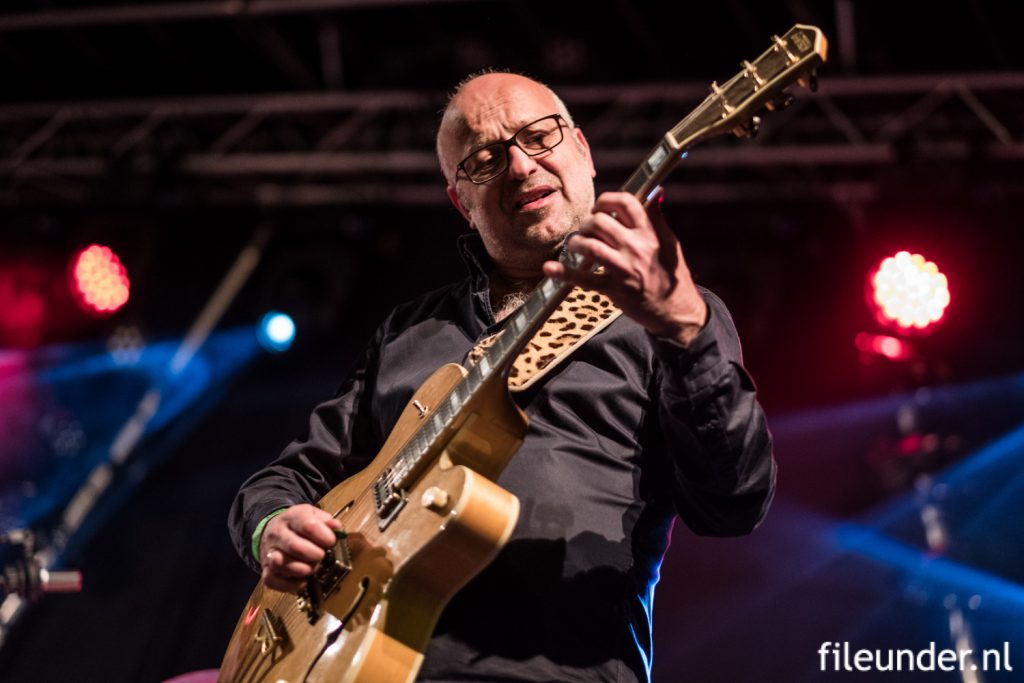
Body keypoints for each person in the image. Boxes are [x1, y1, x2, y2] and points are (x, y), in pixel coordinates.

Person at [228, 71, 775, 682]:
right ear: (460, 202)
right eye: (485, 160)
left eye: (539, 137)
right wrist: (271, 527)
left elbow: (733, 504)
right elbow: (285, 479)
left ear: (583, 150)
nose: (520, 166)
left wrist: (685, 330)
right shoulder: (409, 332)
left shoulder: (666, 315)